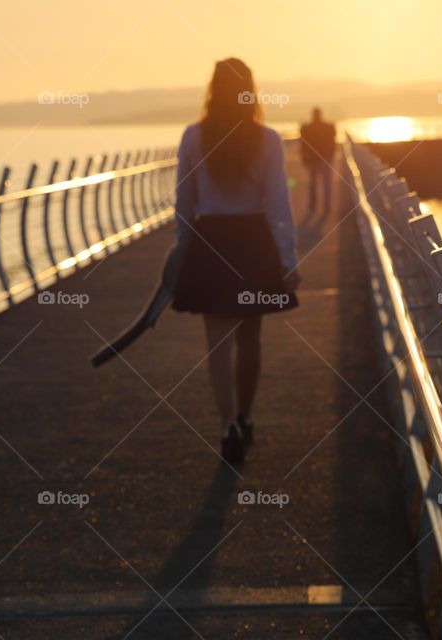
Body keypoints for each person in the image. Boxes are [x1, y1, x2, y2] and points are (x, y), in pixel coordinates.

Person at [171, 58, 300, 465]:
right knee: (250, 339)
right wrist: (287, 258)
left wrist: (180, 252)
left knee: (217, 346)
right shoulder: (267, 139)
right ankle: (245, 416)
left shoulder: (194, 137)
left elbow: (184, 204)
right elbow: (279, 204)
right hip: (253, 242)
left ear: (212, 90)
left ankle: (226, 425)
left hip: (210, 243)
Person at [299, 108, 337, 214]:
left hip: (315, 160)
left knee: (314, 183)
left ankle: (314, 205)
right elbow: (333, 143)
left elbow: (303, 145)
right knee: (324, 183)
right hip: (321, 159)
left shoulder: (306, 128)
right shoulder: (328, 127)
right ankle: (325, 206)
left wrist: (304, 157)